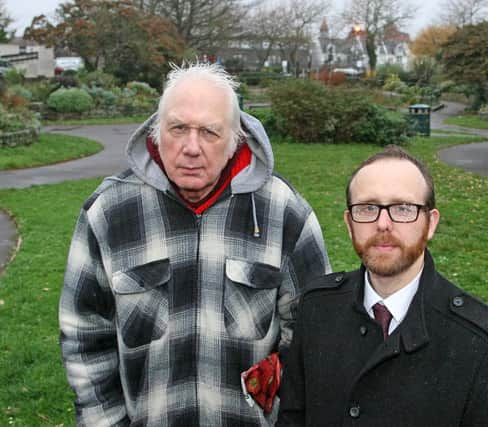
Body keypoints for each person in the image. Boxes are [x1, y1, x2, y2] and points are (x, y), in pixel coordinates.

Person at [59, 63, 331, 426]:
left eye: (209, 132)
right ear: (156, 132)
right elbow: (84, 334)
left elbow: (312, 333)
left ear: (235, 138)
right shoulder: (109, 213)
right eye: (178, 128)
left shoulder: (284, 212)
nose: (191, 147)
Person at [277, 145, 488, 426]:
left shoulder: (483, 344)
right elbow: (292, 417)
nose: (383, 224)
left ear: (430, 224)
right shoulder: (317, 307)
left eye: (403, 208)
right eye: (368, 208)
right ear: (349, 224)